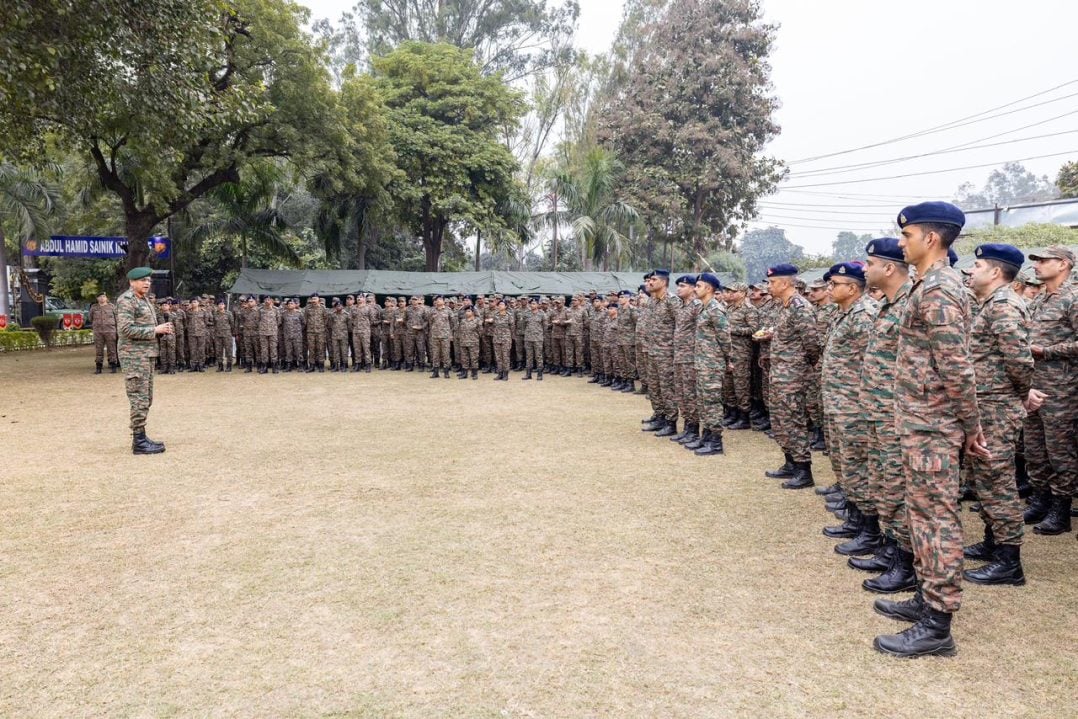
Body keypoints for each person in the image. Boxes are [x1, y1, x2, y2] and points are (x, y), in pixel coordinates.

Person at [873, 201, 985, 659]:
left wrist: (971, 426)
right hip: (921, 423)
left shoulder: (939, 289)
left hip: (935, 426)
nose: (901, 243)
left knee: (936, 519)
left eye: (907, 235)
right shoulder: (926, 284)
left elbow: (956, 366)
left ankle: (938, 626)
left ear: (931, 239)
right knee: (922, 516)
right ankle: (926, 598)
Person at [961, 243, 1033, 585]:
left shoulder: (1004, 305)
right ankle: (993, 542)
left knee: (999, 481)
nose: (970, 271)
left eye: (977, 265)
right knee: (984, 479)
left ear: (995, 271)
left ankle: (1009, 561)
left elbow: (1019, 362)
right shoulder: (988, 304)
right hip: (985, 404)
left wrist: (1017, 397)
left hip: (997, 406)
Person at [855, 239, 917, 594]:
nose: (865, 269)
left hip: (900, 415)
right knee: (885, 485)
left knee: (899, 489)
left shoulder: (910, 303)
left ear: (889, 268)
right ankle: (891, 549)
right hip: (879, 412)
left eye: (870, 263)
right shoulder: (889, 305)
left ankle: (905, 564)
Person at [818, 263, 879, 556]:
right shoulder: (846, 313)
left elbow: (874, 363)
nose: (830, 289)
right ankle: (855, 518)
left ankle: (870, 530)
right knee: (846, 465)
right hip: (839, 402)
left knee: (858, 467)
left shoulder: (865, 314)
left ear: (852, 288)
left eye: (835, 284)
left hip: (855, 405)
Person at [1021, 245, 1077, 535]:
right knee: (1034, 448)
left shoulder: (1073, 298)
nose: (1037, 265)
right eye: (1037, 261)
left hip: (1062, 389)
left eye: (1044, 260)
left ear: (1064, 264)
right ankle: (1039, 499)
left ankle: (1061, 509)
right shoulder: (1039, 300)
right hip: (1033, 384)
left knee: (1060, 451)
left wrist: (1047, 351)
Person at [762, 264, 820, 489]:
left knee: (794, 421)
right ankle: (790, 463)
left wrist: (800, 367)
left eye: (772, 282)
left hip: (793, 375)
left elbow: (812, 343)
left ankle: (804, 470)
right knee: (780, 421)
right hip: (779, 374)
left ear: (785, 283)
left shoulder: (800, 307)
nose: (769, 286)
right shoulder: (783, 307)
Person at [116, 267, 172, 455]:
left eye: (148, 280)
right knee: (138, 397)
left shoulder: (144, 300)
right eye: (142, 280)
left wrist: (159, 332)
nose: (147, 283)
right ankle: (139, 442)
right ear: (132, 282)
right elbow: (125, 329)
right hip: (133, 356)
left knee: (146, 397)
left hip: (146, 354)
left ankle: (141, 436)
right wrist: (154, 331)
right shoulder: (126, 300)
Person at [689, 272, 732, 455]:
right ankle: (706, 436)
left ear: (709, 288)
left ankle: (715, 442)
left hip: (713, 364)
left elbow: (725, 338)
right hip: (702, 362)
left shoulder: (715, 309)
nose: (695, 289)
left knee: (713, 402)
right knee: (704, 401)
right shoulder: (702, 308)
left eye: (698, 286)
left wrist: (728, 359)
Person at [641, 270, 680, 435]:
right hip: (652, 351)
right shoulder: (652, 302)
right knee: (654, 387)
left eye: (653, 280)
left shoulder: (672, 301)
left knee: (667, 388)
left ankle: (671, 423)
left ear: (663, 283)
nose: (649, 283)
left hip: (666, 353)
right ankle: (659, 416)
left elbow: (682, 326)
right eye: (649, 280)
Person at [667, 275, 702, 441]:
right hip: (679, 356)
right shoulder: (681, 306)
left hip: (690, 357)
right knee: (681, 394)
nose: (678, 289)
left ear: (693, 288)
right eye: (678, 286)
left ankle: (694, 429)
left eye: (682, 286)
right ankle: (687, 426)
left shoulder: (697, 306)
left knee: (690, 394)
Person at [721, 282, 758, 430]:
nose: (730, 293)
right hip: (729, 352)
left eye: (734, 291)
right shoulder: (728, 308)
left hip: (741, 353)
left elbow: (753, 329)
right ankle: (732, 413)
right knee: (728, 385)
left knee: (741, 386)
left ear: (743, 293)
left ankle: (744, 417)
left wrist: (732, 330)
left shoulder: (749, 310)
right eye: (729, 291)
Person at [88, 292, 119, 374]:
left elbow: (117, 319)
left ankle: (113, 366)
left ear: (106, 298)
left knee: (112, 349)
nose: (102, 298)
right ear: (97, 298)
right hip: (98, 332)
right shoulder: (94, 308)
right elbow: (90, 318)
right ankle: (98, 367)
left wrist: (117, 330)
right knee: (99, 350)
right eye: (100, 297)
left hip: (110, 331)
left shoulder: (112, 307)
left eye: (103, 296)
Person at [428, 296, 453, 378]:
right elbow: (430, 321)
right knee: (435, 354)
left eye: (440, 300)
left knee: (445, 354)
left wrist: (450, 333)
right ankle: (435, 372)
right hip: (435, 335)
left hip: (445, 336)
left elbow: (452, 322)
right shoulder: (432, 310)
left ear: (443, 301)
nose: (438, 301)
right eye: (437, 300)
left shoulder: (448, 310)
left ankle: (446, 372)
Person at [213, 299, 237, 372]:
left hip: (227, 335)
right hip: (218, 335)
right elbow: (214, 323)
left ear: (224, 305)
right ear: (217, 306)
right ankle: (220, 366)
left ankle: (229, 366)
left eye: (222, 304)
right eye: (219, 304)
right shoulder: (215, 314)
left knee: (228, 350)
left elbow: (232, 324)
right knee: (218, 351)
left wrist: (232, 332)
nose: (221, 305)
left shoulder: (228, 313)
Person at [458, 307, 481, 379]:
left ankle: (474, 374)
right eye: (466, 311)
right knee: (464, 358)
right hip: (463, 342)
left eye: (469, 311)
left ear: (473, 312)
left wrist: (475, 338)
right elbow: (460, 330)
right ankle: (464, 373)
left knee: (474, 358)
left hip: (473, 342)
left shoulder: (477, 321)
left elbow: (481, 332)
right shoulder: (463, 321)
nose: (467, 312)